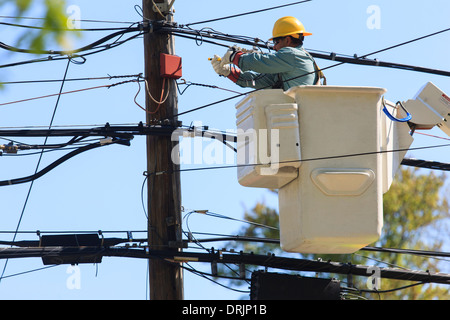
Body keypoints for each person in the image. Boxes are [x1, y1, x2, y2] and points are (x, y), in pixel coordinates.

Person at [211, 16, 325, 91]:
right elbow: (257, 80)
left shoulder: (292, 55)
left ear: (288, 40)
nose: (274, 47)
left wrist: (235, 57)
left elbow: (261, 62)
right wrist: (228, 71)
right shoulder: (289, 66)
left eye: (276, 41)